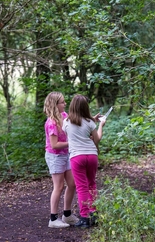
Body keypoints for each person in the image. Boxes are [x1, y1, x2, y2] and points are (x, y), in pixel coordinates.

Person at [62, 94, 106, 228]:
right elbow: (96, 139)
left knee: (81, 187)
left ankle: (85, 218)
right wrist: (101, 125)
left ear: (72, 106)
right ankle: (94, 214)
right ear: (86, 107)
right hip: (92, 155)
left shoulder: (66, 122)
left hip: (77, 157)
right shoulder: (90, 122)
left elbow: (72, 132)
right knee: (92, 184)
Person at [43, 92, 80, 228]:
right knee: (58, 186)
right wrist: (71, 142)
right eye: (62, 102)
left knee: (72, 184)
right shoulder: (51, 123)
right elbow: (54, 145)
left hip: (66, 155)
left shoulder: (64, 116)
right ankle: (53, 219)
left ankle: (67, 214)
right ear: (55, 105)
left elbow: (76, 122)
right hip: (55, 156)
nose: (65, 104)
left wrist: (92, 119)